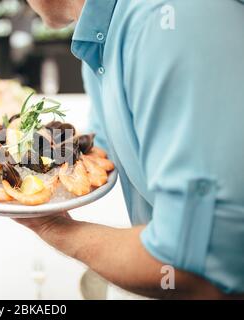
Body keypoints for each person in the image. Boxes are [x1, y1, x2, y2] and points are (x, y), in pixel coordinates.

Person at [20, 0, 244, 299]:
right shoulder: (101, 34)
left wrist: (53, 228)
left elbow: (196, 272)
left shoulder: (163, 21)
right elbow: (104, 152)